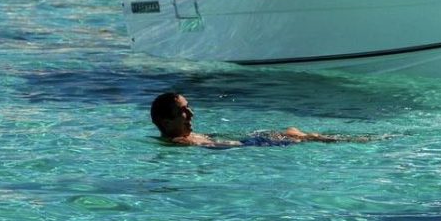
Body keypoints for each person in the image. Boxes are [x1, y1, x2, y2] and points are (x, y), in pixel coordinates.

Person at [149, 92, 372, 148]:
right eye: (183, 112)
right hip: (251, 145)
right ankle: (357, 140)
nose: (191, 115)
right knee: (302, 136)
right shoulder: (180, 143)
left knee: (300, 134)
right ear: (166, 122)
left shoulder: (187, 138)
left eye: (189, 109)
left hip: (252, 140)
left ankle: (353, 139)